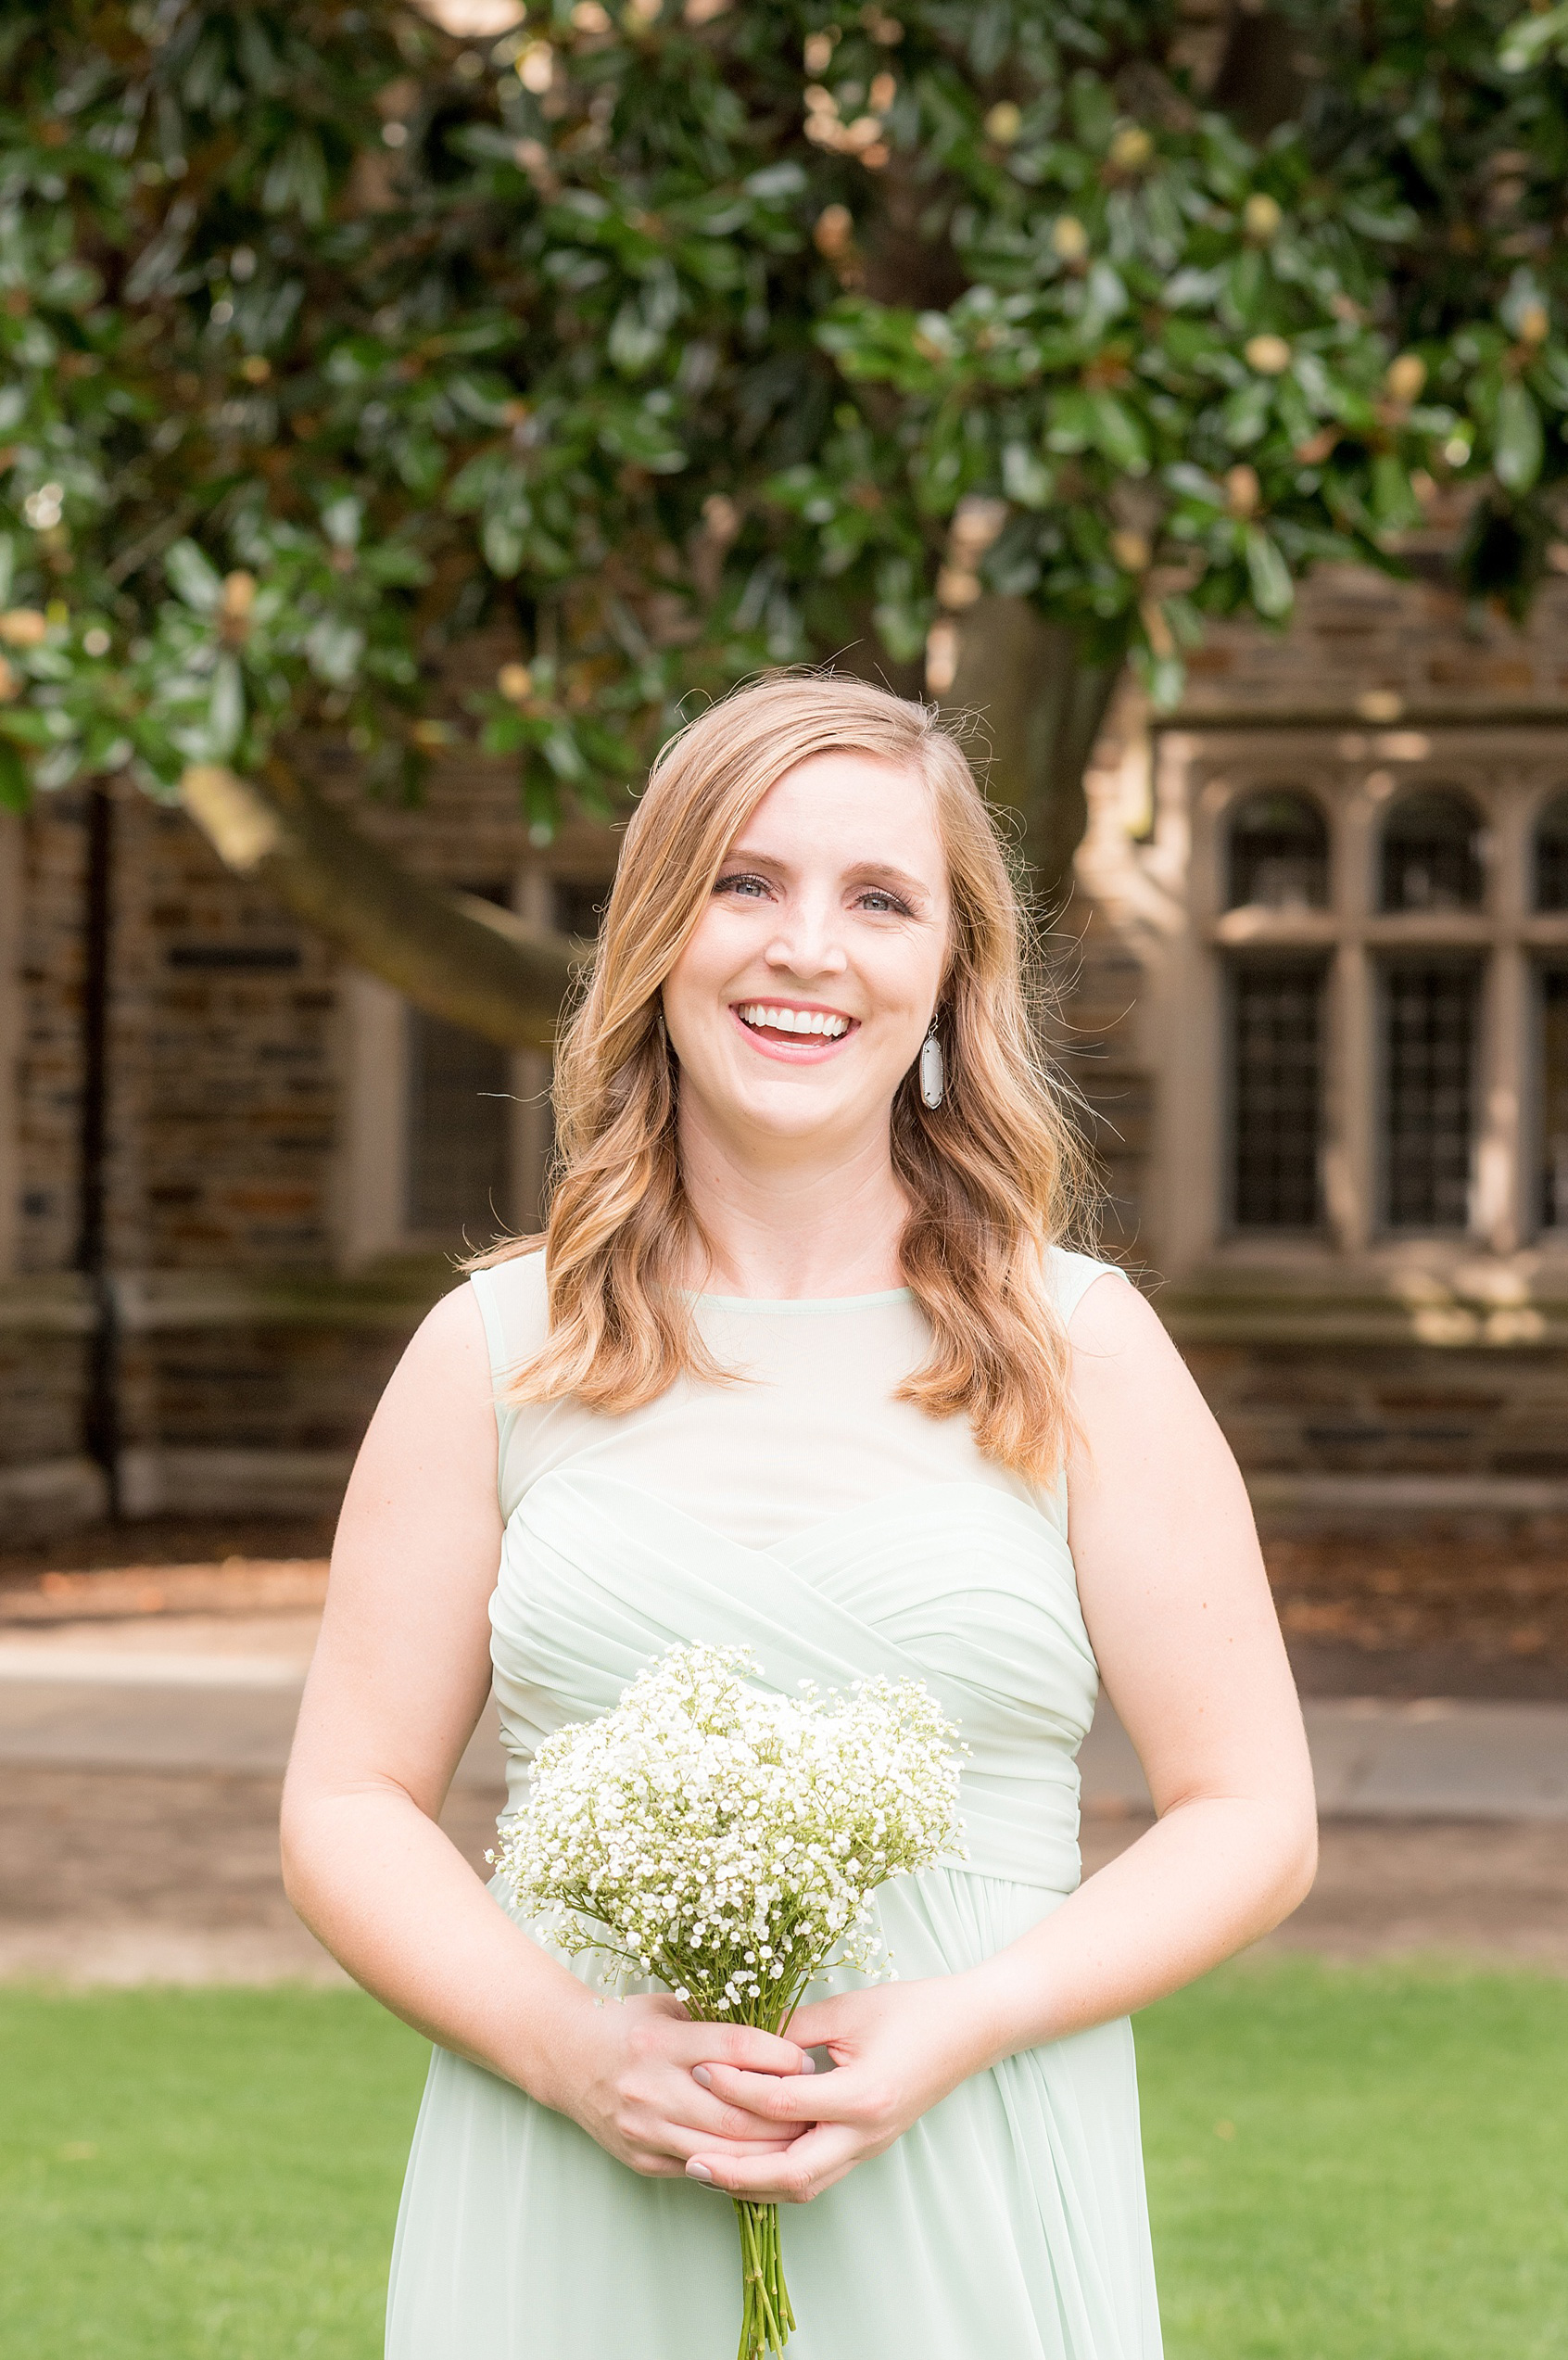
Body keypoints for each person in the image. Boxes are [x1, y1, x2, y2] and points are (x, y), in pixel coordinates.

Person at [281, 674, 1317, 2360]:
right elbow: (344, 1798)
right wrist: (566, 2046)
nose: (805, 949)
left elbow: (1252, 1812)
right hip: (569, 2180)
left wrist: (967, 2021)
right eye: (745, 883)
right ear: (659, 934)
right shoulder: (491, 1348)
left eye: (878, 899)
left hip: (967, 2162)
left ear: (948, 974)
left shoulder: (1083, 1348)